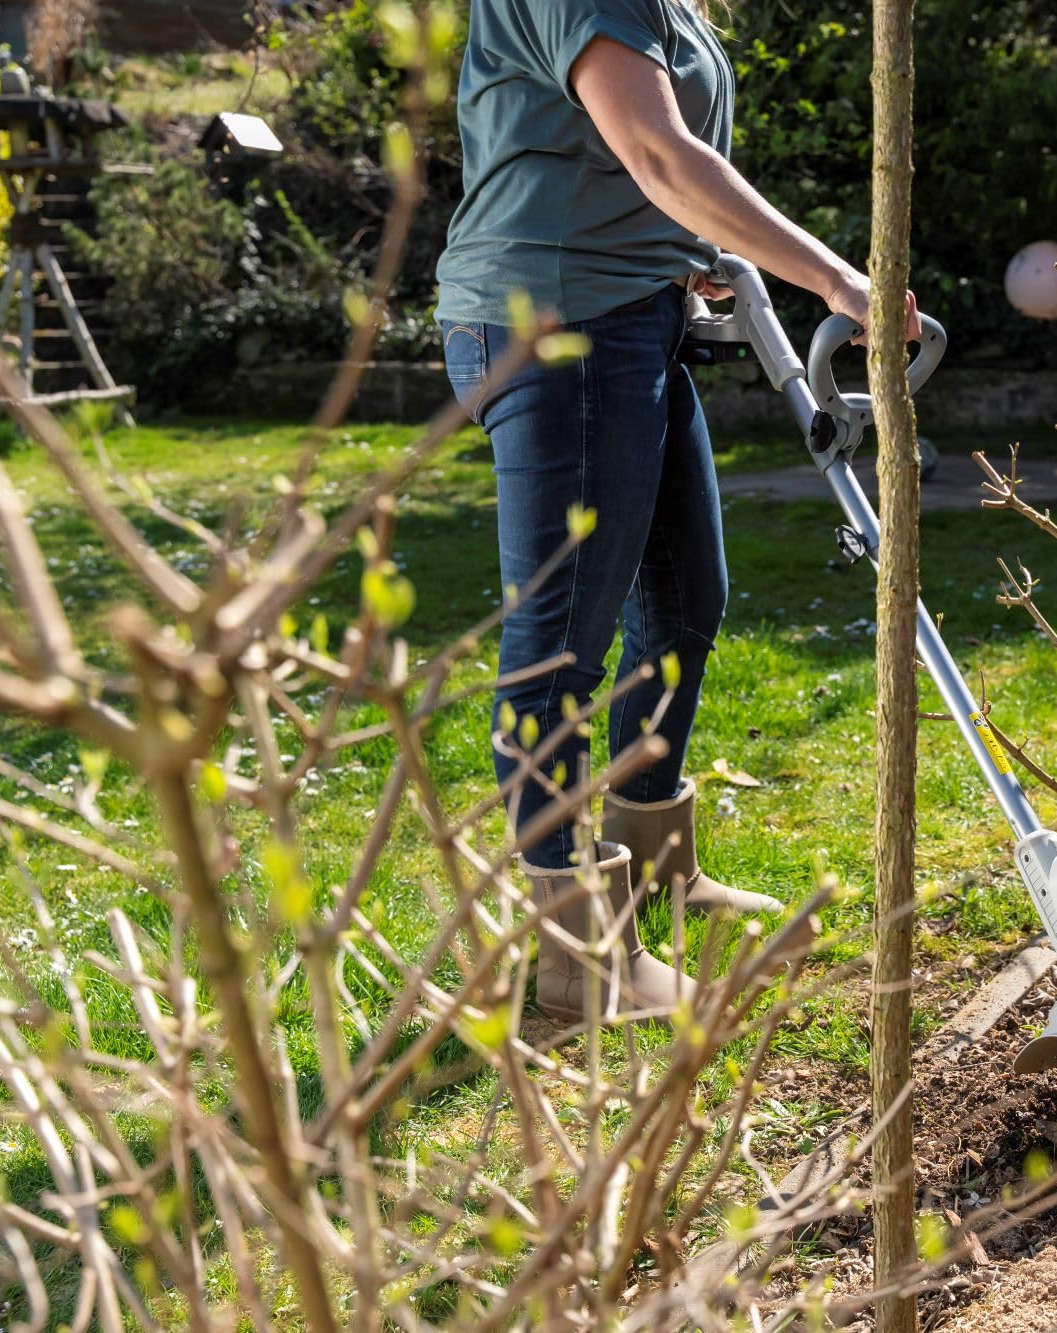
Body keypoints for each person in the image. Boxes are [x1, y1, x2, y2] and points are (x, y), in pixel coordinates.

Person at [435, 0, 922, 1021]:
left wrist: (680, 250)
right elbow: (656, 152)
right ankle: (570, 957)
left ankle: (651, 859)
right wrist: (839, 281)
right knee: (560, 641)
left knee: (684, 601)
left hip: (633, 311)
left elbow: (613, 160)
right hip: (553, 320)